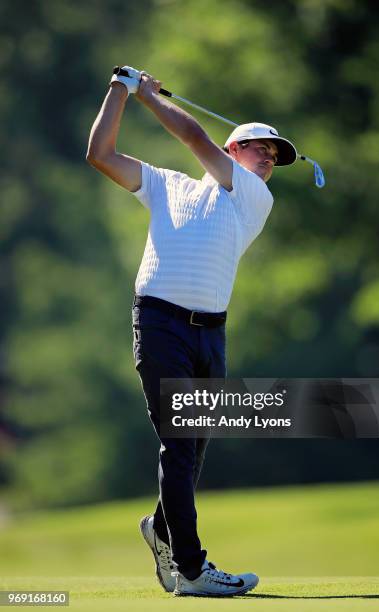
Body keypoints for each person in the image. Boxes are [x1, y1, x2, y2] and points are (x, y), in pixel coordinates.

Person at [86, 65, 297, 597]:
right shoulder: (167, 184)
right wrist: (119, 91)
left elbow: (193, 136)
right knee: (180, 448)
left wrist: (148, 96)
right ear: (233, 149)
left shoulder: (253, 198)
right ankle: (192, 569)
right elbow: (101, 155)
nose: (269, 159)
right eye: (259, 148)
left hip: (212, 335)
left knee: (192, 451)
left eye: (275, 156)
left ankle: (160, 529)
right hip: (159, 324)